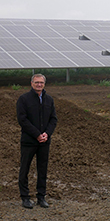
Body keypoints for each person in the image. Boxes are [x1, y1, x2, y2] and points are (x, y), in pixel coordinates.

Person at [16, 74, 58, 209]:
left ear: (44, 84)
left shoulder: (49, 100)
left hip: (44, 142)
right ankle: (25, 197)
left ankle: (41, 197)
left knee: (42, 169)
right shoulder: (24, 99)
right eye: (36, 82)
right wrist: (37, 134)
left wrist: (47, 134)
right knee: (24, 169)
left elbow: (53, 119)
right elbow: (22, 120)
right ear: (31, 83)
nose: (39, 85)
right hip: (29, 141)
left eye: (41, 83)